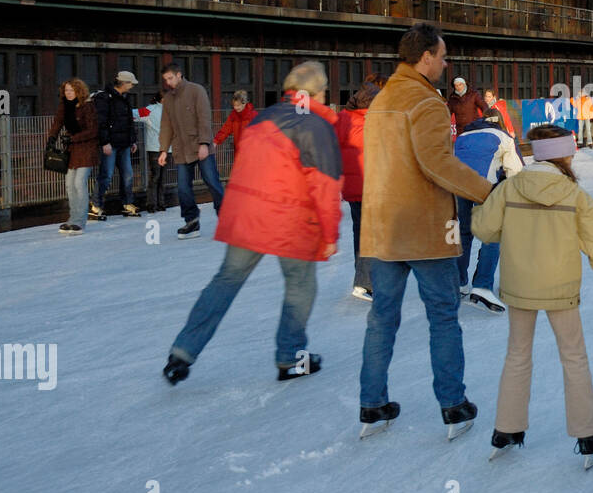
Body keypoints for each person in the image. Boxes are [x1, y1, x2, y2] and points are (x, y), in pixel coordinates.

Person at [161, 61, 343, 386]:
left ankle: (182, 351)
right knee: (301, 286)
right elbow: (325, 185)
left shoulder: (264, 118)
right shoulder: (315, 125)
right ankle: (290, 356)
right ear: (316, 91)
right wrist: (329, 234)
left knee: (226, 280)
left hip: (247, 214)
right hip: (291, 219)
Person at [358, 23, 494, 440]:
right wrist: (487, 190)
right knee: (442, 316)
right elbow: (437, 164)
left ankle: (373, 404)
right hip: (425, 229)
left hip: (383, 226)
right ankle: (453, 405)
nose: (446, 62)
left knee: (382, 317)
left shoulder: (380, 101)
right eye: (442, 55)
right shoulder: (428, 103)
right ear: (425, 58)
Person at [472, 124, 593, 465]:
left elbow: (484, 228)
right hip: (560, 289)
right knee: (573, 357)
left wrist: (492, 208)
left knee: (517, 355)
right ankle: (588, 436)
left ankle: (506, 429)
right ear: (562, 154)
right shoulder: (574, 195)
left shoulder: (509, 188)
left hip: (519, 287)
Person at [454, 107, 524, 312]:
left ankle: (458, 282)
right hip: (484, 187)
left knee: (464, 233)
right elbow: (515, 172)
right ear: (499, 122)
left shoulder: (463, 135)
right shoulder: (503, 136)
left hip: (458, 185)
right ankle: (482, 286)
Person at [335, 75, 388, 301]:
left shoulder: (343, 118)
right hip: (372, 183)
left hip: (352, 186)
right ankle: (366, 283)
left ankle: (363, 277)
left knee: (361, 231)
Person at [158, 63, 226, 240]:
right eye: (165, 79)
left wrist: (204, 143)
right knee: (183, 188)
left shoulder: (196, 90)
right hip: (181, 149)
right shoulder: (168, 99)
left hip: (199, 145)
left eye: (170, 78)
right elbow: (166, 126)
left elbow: (204, 117)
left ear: (179, 75)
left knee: (213, 183)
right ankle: (192, 222)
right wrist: (164, 150)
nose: (168, 82)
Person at [46, 79, 99, 235]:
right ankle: (72, 218)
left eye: (71, 90)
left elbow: (93, 130)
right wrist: (51, 139)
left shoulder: (88, 106)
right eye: (66, 90)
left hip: (87, 148)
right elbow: (58, 122)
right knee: (69, 184)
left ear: (78, 91)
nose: (68, 93)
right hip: (72, 149)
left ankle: (80, 221)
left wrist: (73, 138)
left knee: (79, 183)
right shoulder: (65, 105)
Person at [90, 70, 140, 220]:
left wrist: (132, 140)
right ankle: (96, 204)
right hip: (111, 144)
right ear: (123, 83)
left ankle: (127, 203)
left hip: (124, 143)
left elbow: (129, 121)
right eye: (130, 83)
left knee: (128, 175)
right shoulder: (105, 98)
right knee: (106, 175)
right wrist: (105, 142)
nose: (132, 86)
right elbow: (101, 121)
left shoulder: (124, 97)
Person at [134, 91, 170, 212]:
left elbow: (133, 114)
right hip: (161, 148)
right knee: (158, 177)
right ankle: (156, 204)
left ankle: (155, 204)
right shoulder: (157, 110)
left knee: (158, 177)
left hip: (157, 148)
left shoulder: (152, 110)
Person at [214, 90, 257, 155]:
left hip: (252, 151)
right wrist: (215, 141)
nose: (236, 107)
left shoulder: (253, 115)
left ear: (244, 103)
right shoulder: (233, 116)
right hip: (238, 152)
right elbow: (225, 130)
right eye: (234, 105)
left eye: (238, 105)